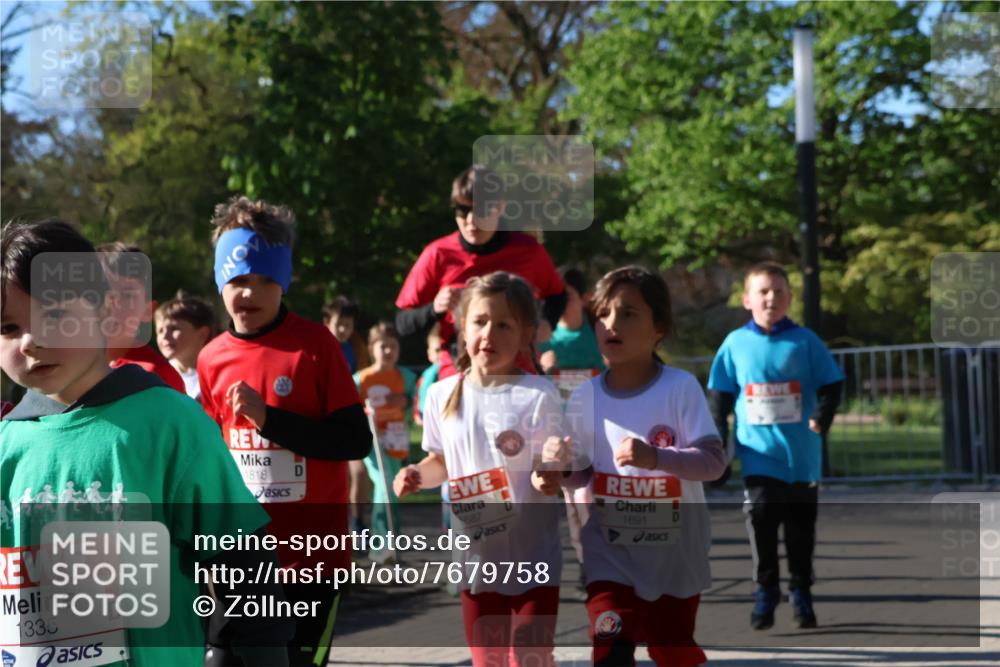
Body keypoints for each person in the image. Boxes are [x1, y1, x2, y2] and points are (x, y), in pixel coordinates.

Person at [0, 220, 292, 667]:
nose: (32, 341)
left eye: (55, 315)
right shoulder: (7, 443)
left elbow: (245, 567)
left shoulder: (170, 423)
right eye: (8, 327)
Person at [196, 196, 373, 666]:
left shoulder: (315, 347)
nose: (248, 294)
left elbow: (355, 441)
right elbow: (218, 460)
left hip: (311, 561)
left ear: (284, 281)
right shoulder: (212, 357)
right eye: (236, 280)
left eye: (264, 280)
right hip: (240, 559)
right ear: (219, 282)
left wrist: (270, 421)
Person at [554, 265, 726, 667]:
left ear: (658, 328)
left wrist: (657, 458)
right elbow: (581, 473)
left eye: (628, 313)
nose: (612, 323)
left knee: (672, 650)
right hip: (608, 555)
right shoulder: (584, 397)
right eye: (604, 314)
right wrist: (562, 468)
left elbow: (714, 462)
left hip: (673, 555)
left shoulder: (679, 387)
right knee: (609, 647)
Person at [394, 272, 564, 667]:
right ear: (461, 328)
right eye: (480, 321)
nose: (490, 333)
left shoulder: (538, 394)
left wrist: (547, 474)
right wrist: (417, 474)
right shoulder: (440, 395)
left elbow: (549, 468)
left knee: (530, 657)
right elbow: (441, 462)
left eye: (504, 324)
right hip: (475, 562)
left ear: (526, 334)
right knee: (487, 661)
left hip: (532, 559)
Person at [707, 262, 843, 630]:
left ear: (790, 298)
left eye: (779, 291)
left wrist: (824, 413)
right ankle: (766, 591)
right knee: (763, 522)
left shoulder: (805, 341)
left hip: (801, 458)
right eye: (763, 291)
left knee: (801, 531)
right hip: (758, 456)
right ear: (746, 299)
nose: (771, 298)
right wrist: (719, 435)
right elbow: (720, 393)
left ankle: (802, 590)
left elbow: (832, 384)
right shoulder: (735, 344)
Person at [394, 165, 567, 379]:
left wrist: (547, 321)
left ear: (500, 206)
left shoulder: (528, 251)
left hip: (517, 373)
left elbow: (558, 295)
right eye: (462, 210)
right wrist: (434, 309)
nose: (470, 221)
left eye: (481, 210)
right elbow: (402, 324)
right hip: (458, 375)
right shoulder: (438, 254)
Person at [352, 321, 416, 561]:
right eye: (383, 346)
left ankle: (391, 540)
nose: (388, 351)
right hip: (371, 443)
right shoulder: (361, 379)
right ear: (372, 349)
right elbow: (348, 410)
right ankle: (381, 545)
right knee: (384, 483)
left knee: (393, 487)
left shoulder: (406, 377)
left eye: (393, 346)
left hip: (396, 440)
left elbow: (413, 403)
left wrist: (406, 402)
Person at [97, 242, 186, 393]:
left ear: (147, 311)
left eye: (127, 295)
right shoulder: (68, 368)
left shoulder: (156, 377)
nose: (114, 305)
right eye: (105, 293)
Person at [155, 290, 215, 401]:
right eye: (160, 330)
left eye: (174, 329)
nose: (165, 336)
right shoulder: (157, 377)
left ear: (203, 333)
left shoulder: (216, 375)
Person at [321, 295, 370, 374]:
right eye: (338, 324)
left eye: (348, 325)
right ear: (327, 323)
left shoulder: (358, 349)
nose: (343, 329)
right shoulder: (318, 349)